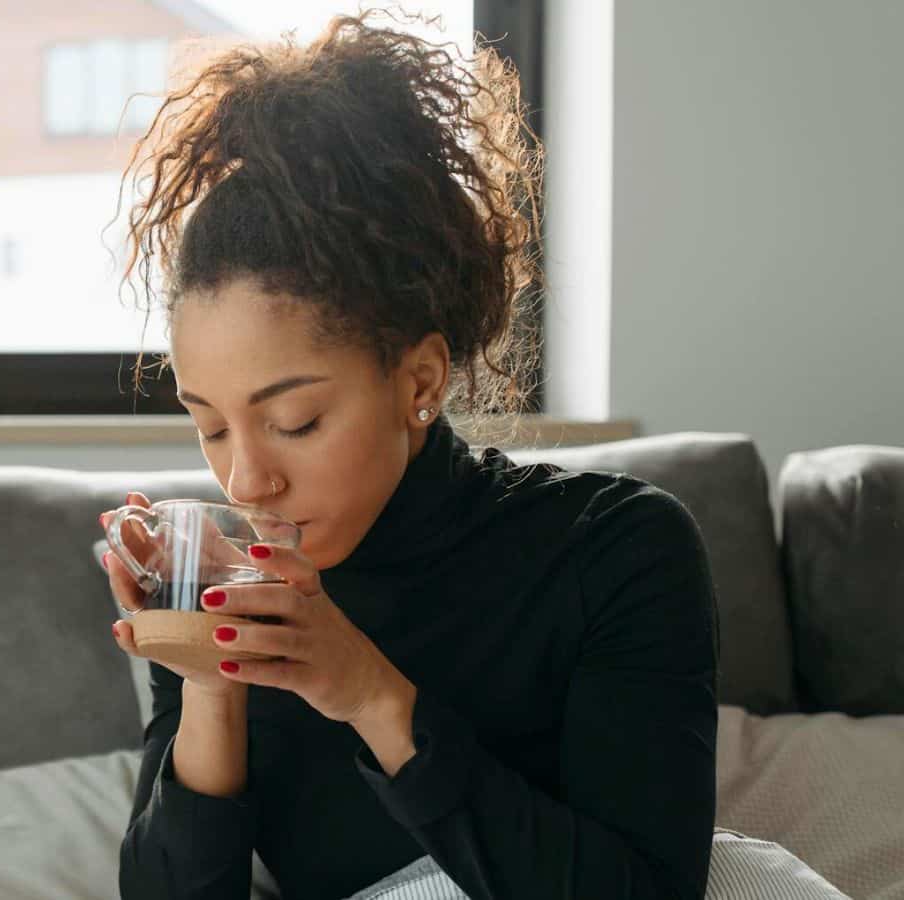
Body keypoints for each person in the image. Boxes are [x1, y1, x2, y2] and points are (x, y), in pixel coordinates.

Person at [99, 9, 720, 900]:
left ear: (418, 376)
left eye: (297, 419)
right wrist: (213, 683)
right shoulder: (235, 596)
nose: (246, 480)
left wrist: (368, 693)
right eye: (211, 423)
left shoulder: (617, 552)